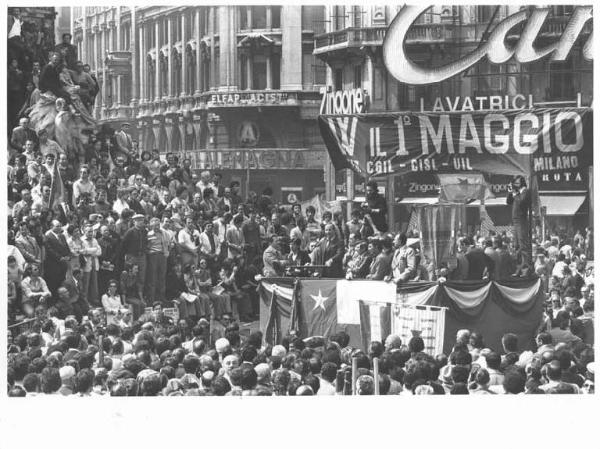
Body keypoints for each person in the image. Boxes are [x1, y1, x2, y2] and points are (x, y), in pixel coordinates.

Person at [506, 175, 532, 275]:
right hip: (515, 221)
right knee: (516, 245)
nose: (515, 185)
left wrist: (515, 193)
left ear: (522, 183)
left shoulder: (525, 191)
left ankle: (526, 269)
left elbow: (521, 202)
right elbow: (508, 202)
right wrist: (510, 192)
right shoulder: (516, 193)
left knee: (523, 245)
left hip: (522, 220)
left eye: (517, 183)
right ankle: (518, 268)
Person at [121, 214, 148, 303]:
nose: (140, 222)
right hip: (132, 256)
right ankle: (128, 296)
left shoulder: (144, 231)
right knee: (130, 275)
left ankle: (140, 296)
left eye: (142, 220)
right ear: (134, 221)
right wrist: (126, 256)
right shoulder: (130, 232)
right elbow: (123, 244)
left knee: (141, 277)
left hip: (142, 256)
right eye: (138, 220)